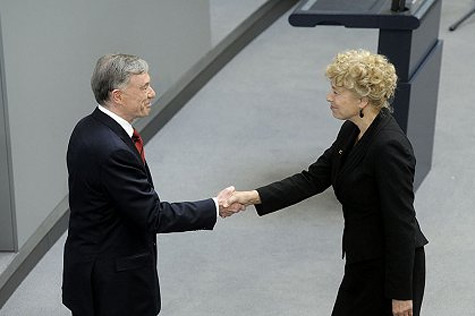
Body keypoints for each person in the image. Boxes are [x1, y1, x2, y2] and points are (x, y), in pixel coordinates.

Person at [225, 49, 428, 316]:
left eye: (337, 91)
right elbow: (313, 178)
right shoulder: (352, 130)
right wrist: (251, 197)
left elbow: (401, 222)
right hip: (363, 261)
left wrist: (401, 294)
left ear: (363, 100)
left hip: (388, 271)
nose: (329, 97)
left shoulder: (388, 147)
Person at [62, 53, 243, 316]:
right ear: (118, 96)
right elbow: (153, 216)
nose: (152, 93)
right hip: (113, 286)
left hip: (92, 269)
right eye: (144, 87)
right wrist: (215, 206)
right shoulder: (112, 149)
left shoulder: (87, 128)